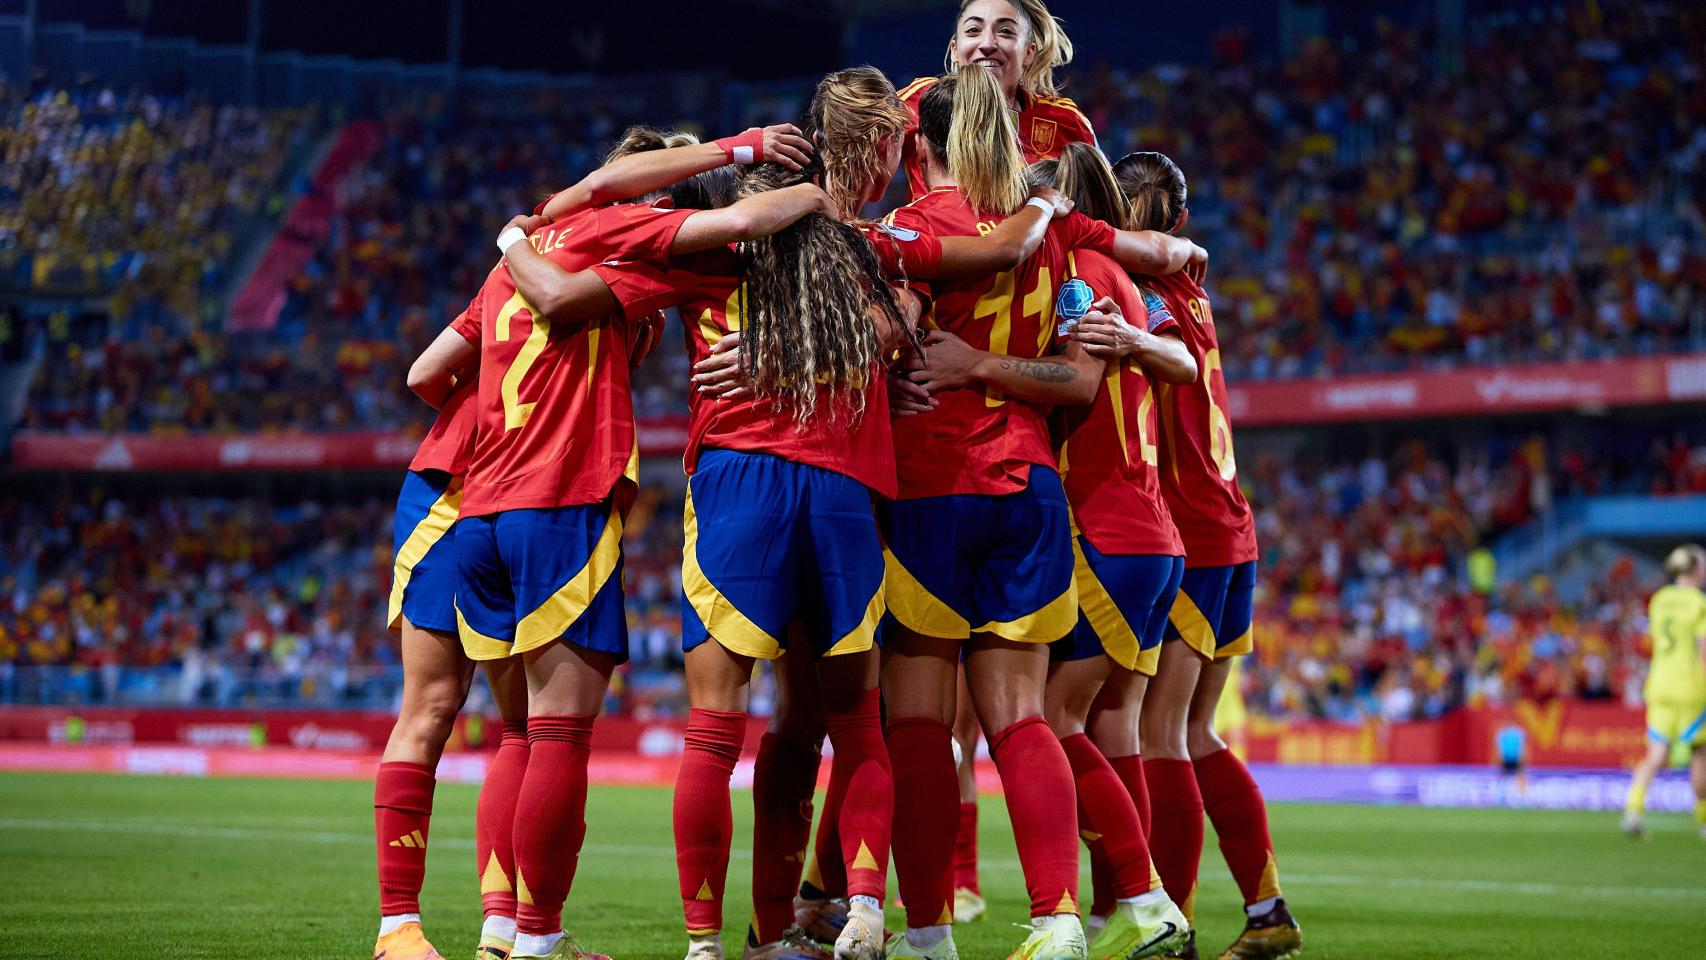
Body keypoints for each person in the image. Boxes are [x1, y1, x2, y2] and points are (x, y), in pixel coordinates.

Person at [414, 127, 839, 960]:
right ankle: (539, 939)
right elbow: (730, 230)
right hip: (562, 499)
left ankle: (499, 930)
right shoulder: (627, 233)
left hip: (477, 505)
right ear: (644, 186)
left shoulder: (534, 236)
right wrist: (814, 194)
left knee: (516, 734)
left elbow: (426, 375)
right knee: (563, 734)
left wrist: (512, 254)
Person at [505, 147, 909, 960]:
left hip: (741, 484)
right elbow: (904, 324)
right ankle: (864, 905)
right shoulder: (857, 258)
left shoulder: (705, 253)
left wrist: (518, 238)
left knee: (713, 731)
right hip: (844, 485)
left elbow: (562, 294)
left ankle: (704, 945)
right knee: (859, 725)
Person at [877, 67, 1200, 960]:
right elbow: (1081, 380)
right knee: (1022, 717)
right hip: (1030, 491)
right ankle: (1060, 919)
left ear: (916, 148)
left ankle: (930, 934)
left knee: (915, 720)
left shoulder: (906, 234)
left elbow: (882, 344)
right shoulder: (1069, 249)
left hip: (932, 490)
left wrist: (944, 361)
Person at [1116, 151, 1302, 960]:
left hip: (1188, 533)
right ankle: (1266, 914)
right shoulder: (1191, 287)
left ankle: (1175, 931)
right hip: (1232, 532)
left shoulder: (1144, 295)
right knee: (1195, 733)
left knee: (1160, 732)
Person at [1027, 143, 1198, 959]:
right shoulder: (1131, 282)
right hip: (1152, 534)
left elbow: (1073, 383)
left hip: (1107, 531)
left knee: (1049, 715)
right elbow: (1180, 362)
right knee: (1114, 720)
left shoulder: (1076, 276)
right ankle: (1115, 908)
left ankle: (1146, 894)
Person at [371, 342, 528, 960]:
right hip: (471, 488)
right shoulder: (593, 277)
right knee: (504, 722)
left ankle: (483, 931)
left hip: (492, 490)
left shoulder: (518, 270)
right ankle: (419, 928)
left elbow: (426, 375)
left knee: (467, 715)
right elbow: (421, 374)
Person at [897, 0, 1095, 202]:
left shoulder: (1065, 120)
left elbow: (1104, 202)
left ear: (1028, 53)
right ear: (955, 50)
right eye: (974, 30)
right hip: (933, 233)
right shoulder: (922, 100)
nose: (988, 44)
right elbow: (865, 147)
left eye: (1006, 32)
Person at [1623, 543, 1706, 839]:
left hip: (1659, 683)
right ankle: (1703, 822)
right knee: (1700, 755)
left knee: (1655, 754)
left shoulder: (1659, 600)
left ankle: (1633, 810)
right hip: (1692, 687)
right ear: (1696, 569)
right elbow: (1703, 650)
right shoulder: (1699, 603)